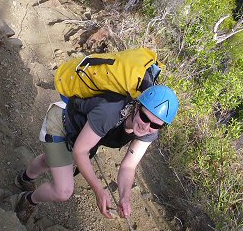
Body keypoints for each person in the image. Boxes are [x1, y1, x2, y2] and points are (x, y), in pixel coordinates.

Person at [13, 84, 179, 223]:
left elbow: (129, 166)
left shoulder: (149, 131)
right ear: (136, 106)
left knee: (52, 160)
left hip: (84, 134)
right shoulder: (111, 112)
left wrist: (125, 196)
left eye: (156, 125)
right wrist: (99, 191)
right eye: (144, 117)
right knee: (63, 190)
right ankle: (27, 199)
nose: (146, 126)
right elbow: (80, 151)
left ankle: (24, 178)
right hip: (63, 122)